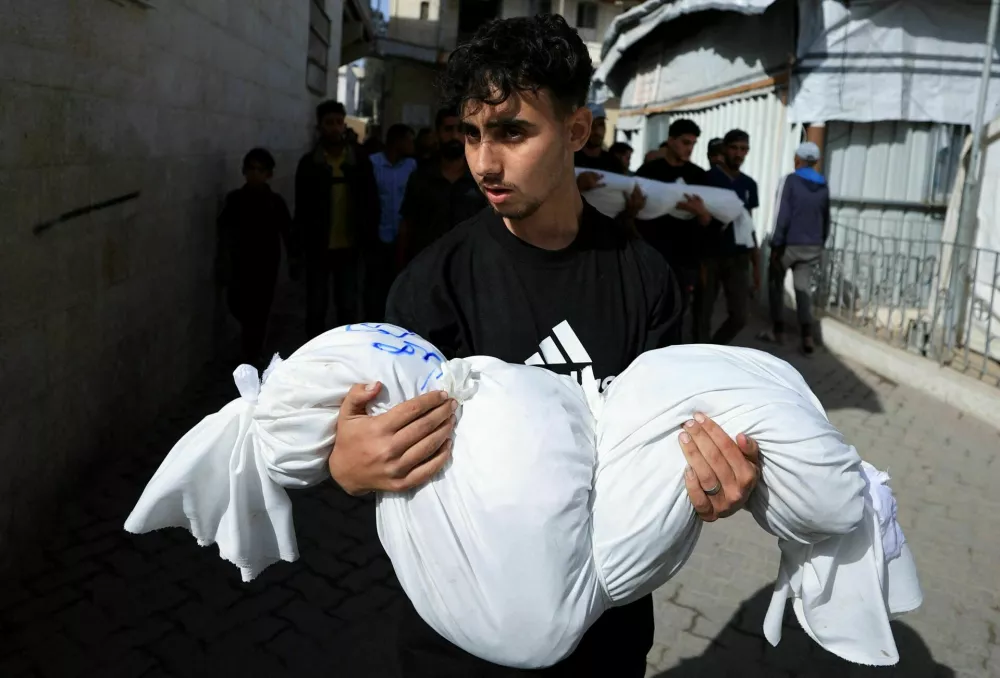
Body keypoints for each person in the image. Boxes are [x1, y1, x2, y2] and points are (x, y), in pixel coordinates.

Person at [325, 15, 761, 677]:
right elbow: (385, 449)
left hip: (603, 640)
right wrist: (350, 467)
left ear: (578, 131)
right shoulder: (431, 288)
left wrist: (708, 483)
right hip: (458, 646)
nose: (483, 162)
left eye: (512, 132)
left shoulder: (645, 281)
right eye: (471, 134)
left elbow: (669, 450)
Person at [294, 100, 379, 338]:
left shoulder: (359, 161)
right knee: (316, 308)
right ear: (320, 126)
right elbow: (301, 210)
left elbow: (371, 204)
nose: (334, 128)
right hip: (318, 248)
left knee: (348, 308)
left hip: (350, 248)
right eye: (329, 123)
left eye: (338, 122)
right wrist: (298, 248)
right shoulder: (309, 164)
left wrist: (368, 240)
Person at [635, 119, 715, 342]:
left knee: (675, 316)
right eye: (684, 142)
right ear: (670, 141)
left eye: (693, 143)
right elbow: (630, 212)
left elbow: (709, 223)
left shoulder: (699, 177)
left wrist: (701, 213)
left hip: (683, 259)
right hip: (650, 255)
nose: (689, 148)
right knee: (644, 312)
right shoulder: (649, 172)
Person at [215, 148, 292, 366]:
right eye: (251, 169)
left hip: (265, 266)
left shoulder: (275, 202)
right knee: (239, 305)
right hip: (241, 264)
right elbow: (224, 230)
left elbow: (288, 232)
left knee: (258, 312)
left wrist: (294, 259)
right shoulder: (236, 200)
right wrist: (224, 259)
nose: (255, 174)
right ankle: (251, 349)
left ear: (269, 174)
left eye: (260, 170)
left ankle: (252, 353)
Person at [759, 141, 830, 355]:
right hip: (812, 246)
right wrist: (820, 242)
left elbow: (782, 215)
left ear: (797, 159)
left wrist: (776, 244)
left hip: (788, 245)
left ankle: (777, 330)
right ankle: (807, 337)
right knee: (803, 289)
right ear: (816, 162)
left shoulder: (790, 181)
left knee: (775, 284)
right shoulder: (823, 184)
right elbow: (827, 218)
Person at [396, 107, 487, 265]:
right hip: (427, 266)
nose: (454, 136)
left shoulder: (480, 178)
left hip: (470, 267)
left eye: (460, 130)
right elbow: (407, 225)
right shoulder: (421, 177)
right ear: (437, 133)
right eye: (448, 129)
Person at [698, 129, 761, 345]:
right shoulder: (707, 178)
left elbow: (749, 224)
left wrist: (756, 264)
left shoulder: (749, 185)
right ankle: (697, 356)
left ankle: (715, 349)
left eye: (743, 149)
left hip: (738, 258)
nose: (738, 153)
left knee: (740, 316)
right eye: (734, 147)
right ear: (725, 149)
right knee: (702, 313)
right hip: (710, 256)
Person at [366, 123, 418, 320]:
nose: (412, 144)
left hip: (402, 237)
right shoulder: (373, 163)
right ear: (398, 142)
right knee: (375, 287)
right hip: (379, 236)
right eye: (409, 140)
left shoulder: (412, 166)